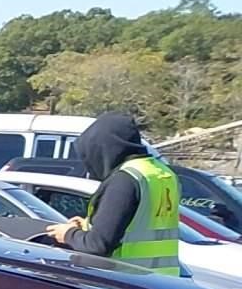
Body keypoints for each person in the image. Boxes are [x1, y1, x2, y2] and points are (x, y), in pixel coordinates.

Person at [58, 110, 182, 275]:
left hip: (129, 280)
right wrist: (90, 225)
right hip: (165, 280)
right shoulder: (162, 173)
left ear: (103, 148)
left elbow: (97, 245)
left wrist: (68, 234)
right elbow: (141, 223)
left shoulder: (126, 179)